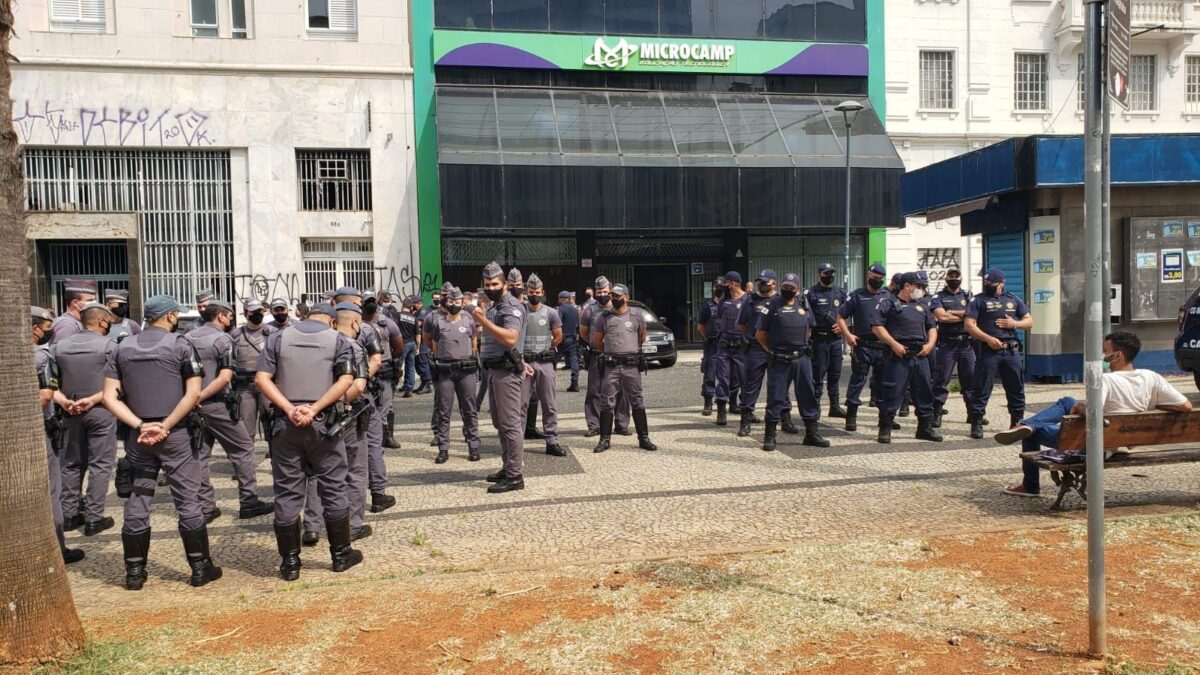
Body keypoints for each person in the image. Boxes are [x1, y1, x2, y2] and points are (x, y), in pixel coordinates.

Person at [102, 295, 220, 590]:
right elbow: (193, 394)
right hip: (175, 435)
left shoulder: (120, 347)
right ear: (169, 317)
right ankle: (199, 568)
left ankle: (134, 573)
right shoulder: (180, 345)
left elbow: (108, 397)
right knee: (187, 499)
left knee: (138, 498)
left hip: (138, 437)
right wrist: (165, 426)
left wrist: (141, 425)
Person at [997, 332, 1192, 496]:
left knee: (1040, 427)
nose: (1101, 355)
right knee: (1068, 401)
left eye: (1105, 351)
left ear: (1118, 355)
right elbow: (1185, 406)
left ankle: (1030, 482)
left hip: (1094, 443)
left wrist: (1080, 408)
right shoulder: (1151, 377)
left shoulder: (1106, 380)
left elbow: (1093, 413)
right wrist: (1152, 409)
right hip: (1122, 439)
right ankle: (1027, 424)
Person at [255, 302, 362, 580]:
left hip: (285, 425)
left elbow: (261, 379)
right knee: (334, 487)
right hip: (323, 425)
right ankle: (341, 555)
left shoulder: (277, 338)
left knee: (287, 492)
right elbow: (346, 380)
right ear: (330, 321)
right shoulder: (338, 340)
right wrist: (314, 409)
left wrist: (290, 409)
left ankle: (290, 564)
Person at [184, 300, 274, 521]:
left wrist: (191, 400)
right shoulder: (223, 339)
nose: (231, 320)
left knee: (200, 455)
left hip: (191, 406)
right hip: (216, 404)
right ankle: (249, 501)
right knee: (243, 449)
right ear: (221, 316)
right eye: (229, 316)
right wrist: (199, 397)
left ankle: (206, 506)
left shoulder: (186, 338)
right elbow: (224, 377)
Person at [302, 302, 375, 545]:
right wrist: (335, 404)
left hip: (317, 417)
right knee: (354, 471)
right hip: (347, 418)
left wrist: (318, 407)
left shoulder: (317, 344)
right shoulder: (354, 347)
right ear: (356, 323)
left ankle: (311, 526)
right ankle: (352, 525)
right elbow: (359, 385)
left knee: (316, 471)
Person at [51, 302, 119, 536]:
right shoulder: (110, 345)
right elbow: (120, 383)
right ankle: (94, 518)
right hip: (101, 410)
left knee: (71, 463)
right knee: (101, 464)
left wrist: (64, 401)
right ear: (102, 321)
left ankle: (69, 515)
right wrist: (94, 399)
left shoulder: (59, 346)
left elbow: (49, 383)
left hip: (70, 412)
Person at [34, 305, 85, 565]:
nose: (50, 333)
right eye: (46, 328)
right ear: (35, 329)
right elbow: (45, 395)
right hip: (40, 431)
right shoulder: (42, 358)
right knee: (53, 488)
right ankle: (58, 548)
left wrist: (64, 401)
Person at [757, 272, 828, 451]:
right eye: (785, 287)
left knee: (808, 395)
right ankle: (770, 435)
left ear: (797, 289)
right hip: (780, 360)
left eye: (791, 288)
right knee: (776, 397)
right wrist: (772, 351)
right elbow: (760, 334)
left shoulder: (804, 305)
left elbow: (810, 328)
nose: (788, 290)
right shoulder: (771, 305)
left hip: (802, 359)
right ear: (781, 286)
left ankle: (811, 433)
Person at [476, 262, 529, 493]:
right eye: (487, 284)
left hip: (507, 372)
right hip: (493, 372)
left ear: (505, 284)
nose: (491, 287)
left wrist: (483, 321)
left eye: (495, 284)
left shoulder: (511, 306)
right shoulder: (494, 306)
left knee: (510, 424)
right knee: (499, 423)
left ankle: (515, 475)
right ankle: (508, 466)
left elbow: (510, 338)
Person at [872, 272, 942, 444]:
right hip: (898, 355)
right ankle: (885, 428)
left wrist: (930, 345)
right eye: (918, 286)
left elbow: (932, 327)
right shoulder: (889, 303)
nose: (921, 290)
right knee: (892, 391)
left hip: (920, 355)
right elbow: (876, 327)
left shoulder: (922, 305)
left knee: (924, 391)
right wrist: (893, 344)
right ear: (907, 286)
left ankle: (924, 428)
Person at [965, 268, 1033, 439]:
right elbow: (969, 325)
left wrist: (1015, 324)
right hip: (988, 351)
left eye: (991, 283)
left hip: (1011, 351)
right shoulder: (978, 300)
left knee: (1016, 388)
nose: (987, 284)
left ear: (1002, 283)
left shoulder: (1013, 300)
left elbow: (1029, 321)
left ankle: (1016, 423)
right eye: (986, 282)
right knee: (982, 387)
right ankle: (977, 423)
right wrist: (988, 339)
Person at [591, 284, 657, 453]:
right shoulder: (604, 317)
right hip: (611, 366)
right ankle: (604, 440)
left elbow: (641, 337)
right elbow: (598, 342)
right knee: (607, 402)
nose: (614, 299)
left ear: (626, 297)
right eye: (613, 295)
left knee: (637, 401)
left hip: (631, 366)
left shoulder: (637, 316)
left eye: (618, 296)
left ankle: (644, 438)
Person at [428, 287, 482, 464]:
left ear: (462, 303)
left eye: (457, 302)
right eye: (450, 302)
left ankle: (473, 446)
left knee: (469, 410)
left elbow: (474, 344)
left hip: (466, 371)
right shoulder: (438, 322)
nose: (453, 305)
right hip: (446, 372)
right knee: (444, 411)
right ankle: (443, 448)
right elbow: (434, 346)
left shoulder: (469, 321)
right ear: (446, 302)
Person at [361, 289, 403, 513]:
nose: (370, 305)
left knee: (384, 411)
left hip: (383, 371)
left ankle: (386, 438)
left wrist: (393, 364)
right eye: (366, 302)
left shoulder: (387, 322)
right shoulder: (356, 325)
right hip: (364, 380)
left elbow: (398, 345)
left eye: (372, 302)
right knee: (370, 428)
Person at [837, 264, 891, 432]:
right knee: (858, 380)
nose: (877, 280)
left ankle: (885, 420)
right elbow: (840, 316)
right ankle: (851, 417)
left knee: (883, 383)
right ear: (868, 276)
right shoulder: (856, 296)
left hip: (883, 347)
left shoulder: (888, 296)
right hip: (863, 346)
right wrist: (848, 335)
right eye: (874, 277)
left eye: (880, 278)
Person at [521, 274, 567, 457]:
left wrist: (547, 349)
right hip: (524, 363)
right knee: (521, 405)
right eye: (531, 292)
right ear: (526, 292)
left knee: (549, 403)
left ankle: (552, 441)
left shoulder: (551, 312)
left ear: (543, 293)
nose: (534, 295)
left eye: (537, 292)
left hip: (544, 362)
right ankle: (517, 443)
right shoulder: (521, 312)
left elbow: (558, 336)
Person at [582, 277, 630, 436]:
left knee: (621, 391)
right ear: (595, 293)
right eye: (599, 292)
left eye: (605, 292)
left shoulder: (619, 307)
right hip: (597, 355)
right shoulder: (589, 310)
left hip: (616, 356)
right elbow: (583, 332)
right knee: (594, 391)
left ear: (610, 291)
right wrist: (597, 344)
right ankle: (594, 425)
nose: (602, 295)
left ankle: (621, 424)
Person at [930, 268, 975, 429]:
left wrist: (953, 312)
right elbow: (941, 317)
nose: (954, 279)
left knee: (969, 380)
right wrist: (964, 315)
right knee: (941, 379)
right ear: (946, 278)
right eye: (951, 276)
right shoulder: (938, 297)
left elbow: (974, 316)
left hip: (966, 345)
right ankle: (937, 413)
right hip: (947, 344)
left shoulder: (968, 296)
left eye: (957, 276)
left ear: (961, 278)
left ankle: (973, 414)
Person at [736, 270, 778, 437]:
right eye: (760, 281)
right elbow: (742, 325)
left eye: (765, 282)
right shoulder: (750, 300)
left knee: (778, 385)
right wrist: (756, 336)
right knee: (750, 385)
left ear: (774, 283)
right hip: (755, 348)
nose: (762, 284)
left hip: (776, 348)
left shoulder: (781, 300)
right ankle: (745, 420)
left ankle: (784, 417)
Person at [230, 299, 277, 442]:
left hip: (267, 384)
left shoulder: (272, 333)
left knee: (272, 422)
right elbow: (230, 361)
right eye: (254, 312)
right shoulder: (236, 335)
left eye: (260, 311)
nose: (257, 314)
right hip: (244, 385)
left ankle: (276, 457)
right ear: (245, 313)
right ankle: (246, 461)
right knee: (245, 426)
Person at [806, 263, 848, 419]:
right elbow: (807, 316)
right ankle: (815, 407)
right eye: (826, 273)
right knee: (818, 375)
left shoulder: (840, 292)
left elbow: (846, 313)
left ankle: (835, 406)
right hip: (819, 339)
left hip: (836, 340)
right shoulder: (811, 293)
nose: (829, 276)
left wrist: (842, 327)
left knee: (835, 374)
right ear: (819, 274)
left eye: (831, 273)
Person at [711, 272, 747, 427]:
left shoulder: (747, 299)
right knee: (723, 379)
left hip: (741, 347)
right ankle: (721, 411)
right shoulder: (724, 300)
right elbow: (718, 318)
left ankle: (746, 411)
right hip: (724, 346)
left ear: (735, 283)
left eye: (727, 282)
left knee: (744, 380)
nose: (724, 285)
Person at [696, 277, 723, 416]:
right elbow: (700, 327)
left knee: (730, 375)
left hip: (727, 345)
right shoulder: (707, 306)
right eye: (717, 286)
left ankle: (730, 403)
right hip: (712, 344)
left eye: (722, 286)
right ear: (713, 288)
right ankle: (708, 402)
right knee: (710, 374)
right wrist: (707, 338)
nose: (720, 288)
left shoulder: (730, 304)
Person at [51, 278, 97, 344]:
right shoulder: (67, 325)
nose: (94, 303)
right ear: (75, 303)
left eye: (94, 300)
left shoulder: (79, 321)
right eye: (90, 300)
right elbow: (62, 351)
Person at [556, 290, 581, 392]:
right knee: (574, 360)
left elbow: (557, 323)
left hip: (563, 338)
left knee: (553, 359)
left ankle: (547, 382)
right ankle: (574, 382)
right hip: (573, 338)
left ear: (561, 299)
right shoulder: (575, 309)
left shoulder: (561, 309)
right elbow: (578, 324)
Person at [396, 296, 419, 398]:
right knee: (410, 367)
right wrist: (417, 347)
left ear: (402, 305)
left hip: (401, 344)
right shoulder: (414, 318)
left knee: (397, 366)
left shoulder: (397, 315)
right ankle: (408, 389)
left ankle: (392, 387)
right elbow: (418, 335)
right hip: (412, 343)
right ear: (411, 307)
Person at [412, 294, 433, 395]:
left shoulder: (423, 311)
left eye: (413, 303)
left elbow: (419, 323)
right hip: (419, 340)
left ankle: (427, 384)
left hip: (423, 341)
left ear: (419, 303)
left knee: (422, 362)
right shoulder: (418, 311)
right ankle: (423, 383)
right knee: (418, 362)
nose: (412, 305)